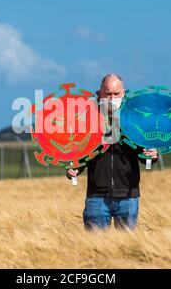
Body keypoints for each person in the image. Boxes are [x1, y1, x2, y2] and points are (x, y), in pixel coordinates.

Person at [66, 74, 158, 231]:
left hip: (128, 196)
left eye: (116, 94)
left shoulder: (135, 121)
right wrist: (74, 169)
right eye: (108, 94)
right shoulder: (87, 120)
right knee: (94, 251)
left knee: (127, 250)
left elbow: (144, 153)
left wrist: (152, 155)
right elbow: (81, 153)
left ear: (123, 93)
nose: (112, 98)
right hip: (97, 198)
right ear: (101, 93)